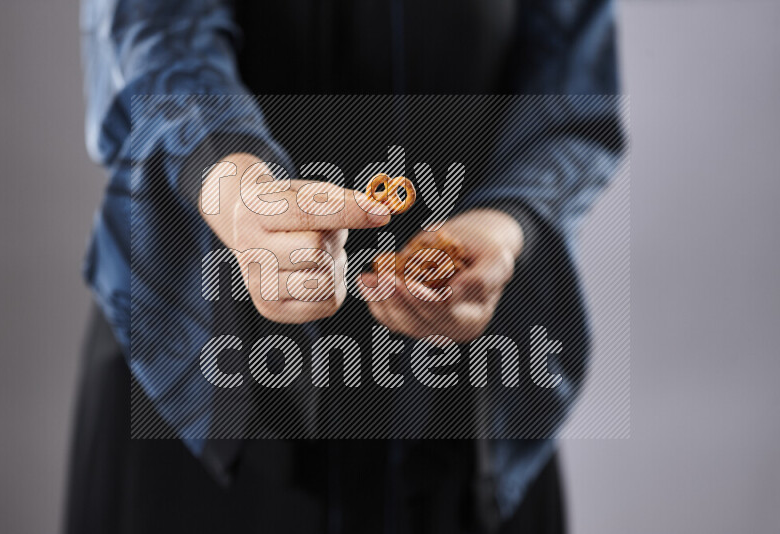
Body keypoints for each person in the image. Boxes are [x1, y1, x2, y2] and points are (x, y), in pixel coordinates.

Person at [67, 0, 624, 533]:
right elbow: (155, 35)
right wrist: (233, 182)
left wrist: (504, 225)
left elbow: (574, 86)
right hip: (196, 376)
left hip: (463, 410)